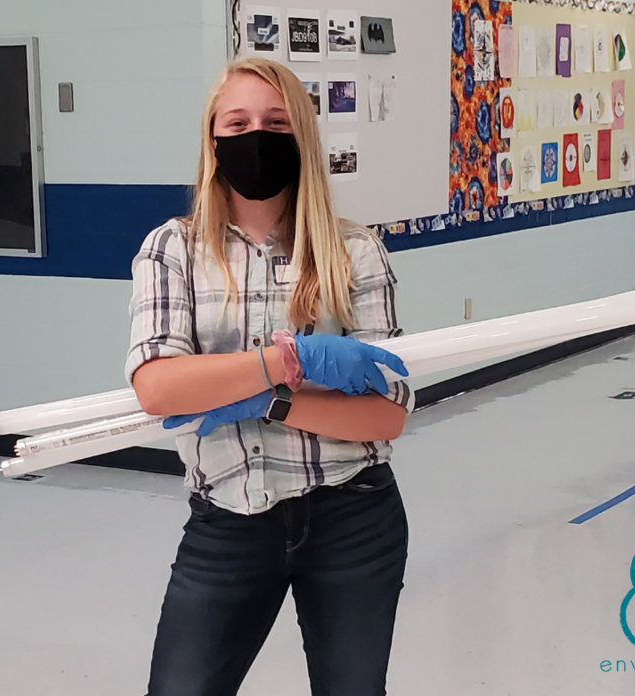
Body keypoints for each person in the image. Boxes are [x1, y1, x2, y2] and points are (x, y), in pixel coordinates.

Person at [125, 56, 415, 696]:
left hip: (354, 515)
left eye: (277, 122)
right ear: (214, 138)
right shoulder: (171, 249)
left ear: (303, 136)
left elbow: (386, 414)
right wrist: (281, 366)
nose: (257, 135)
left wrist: (265, 402)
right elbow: (157, 387)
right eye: (239, 121)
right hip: (228, 519)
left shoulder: (354, 252)